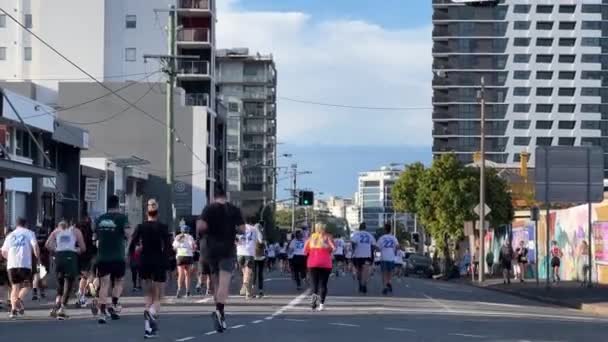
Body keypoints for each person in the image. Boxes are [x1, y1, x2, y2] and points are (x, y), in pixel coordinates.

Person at [197, 188, 245, 333]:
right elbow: (243, 229)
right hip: (227, 250)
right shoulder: (234, 209)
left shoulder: (208, 208)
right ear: (226, 196)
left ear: (214, 196)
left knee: (215, 282)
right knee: (224, 283)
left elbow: (200, 226)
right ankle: (220, 311)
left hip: (210, 250)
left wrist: (205, 231)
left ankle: (217, 309)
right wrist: (233, 229)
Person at [129, 198, 172, 339]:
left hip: (144, 262)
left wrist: (133, 256)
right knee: (159, 296)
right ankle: (152, 312)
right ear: (157, 212)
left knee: (148, 296)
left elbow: (132, 245)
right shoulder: (163, 227)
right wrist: (168, 265)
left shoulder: (141, 227)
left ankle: (148, 329)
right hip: (158, 262)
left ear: (146, 212)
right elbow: (167, 248)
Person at [92, 195, 131, 324]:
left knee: (104, 284)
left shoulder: (100, 219)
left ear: (108, 205)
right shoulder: (122, 218)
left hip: (102, 256)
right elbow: (128, 234)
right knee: (119, 281)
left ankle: (102, 312)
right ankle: (114, 304)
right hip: (118, 256)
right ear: (117, 205)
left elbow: (95, 236)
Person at [45, 221, 86, 320]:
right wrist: (77, 250)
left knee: (60, 283)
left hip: (59, 257)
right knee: (69, 282)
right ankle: (62, 309)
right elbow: (83, 247)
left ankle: (56, 307)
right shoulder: (76, 231)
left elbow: (47, 244)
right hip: (70, 257)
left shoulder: (56, 231)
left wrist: (55, 249)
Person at [1, 218, 40, 318]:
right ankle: (18, 300)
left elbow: (4, 252)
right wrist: (37, 255)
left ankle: (13, 310)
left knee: (15, 287)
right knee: (27, 286)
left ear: (16, 225)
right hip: (24, 263)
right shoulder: (30, 233)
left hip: (12, 265)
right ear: (25, 224)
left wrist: (9, 258)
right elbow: (35, 246)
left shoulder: (10, 235)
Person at [305, 223, 335, 311]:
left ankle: (314, 301)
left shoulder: (311, 237)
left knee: (314, 283)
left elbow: (305, 250)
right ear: (324, 228)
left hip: (313, 262)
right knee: (323, 284)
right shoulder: (328, 237)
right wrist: (326, 248)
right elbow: (333, 248)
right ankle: (321, 304)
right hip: (325, 263)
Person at [350, 222, 376, 294]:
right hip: (367, 255)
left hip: (358, 255)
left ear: (359, 228)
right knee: (365, 271)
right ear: (365, 228)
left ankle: (360, 283)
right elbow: (373, 245)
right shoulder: (370, 235)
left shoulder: (356, 234)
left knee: (359, 270)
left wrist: (354, 249)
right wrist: (371, 251)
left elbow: (353, 243)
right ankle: (363, 284)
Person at [76, 218, 96, 307]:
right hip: (86, 255)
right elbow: (92, 244)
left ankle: (81, 293)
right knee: (84, 276)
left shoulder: (76, 233)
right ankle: (81, 295)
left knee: (81, 276)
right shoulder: (89, 233)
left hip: (77, 255)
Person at [173, 223, 196, 298]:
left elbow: (174, 247)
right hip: (188, 256)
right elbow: (193, 247)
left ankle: (179, 290)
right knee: (187, 275)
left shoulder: (178, 237)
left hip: (180, 256)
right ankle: (187, 291)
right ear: (188, 231)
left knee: (180, 274)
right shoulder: (190, 237)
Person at [377, 224, 399, 295]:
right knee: (390, 272)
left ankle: (385, 287)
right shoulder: (393, 238)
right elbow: (398, 246)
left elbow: (377, 247)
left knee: (384, 273)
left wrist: (381, 249)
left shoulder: (382, 238)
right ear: (390, 230)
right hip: (391, 257)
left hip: (384, 257)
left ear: (385, 230)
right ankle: (389, 282)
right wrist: (394, 251)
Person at [253, 227, 266, 298]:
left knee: (254, 274)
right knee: (260, 274)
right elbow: (264, 246)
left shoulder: (252, 236)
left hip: (254, 256)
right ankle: (260, 290)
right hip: (261, 257)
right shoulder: (262, 237)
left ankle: (253, 290)